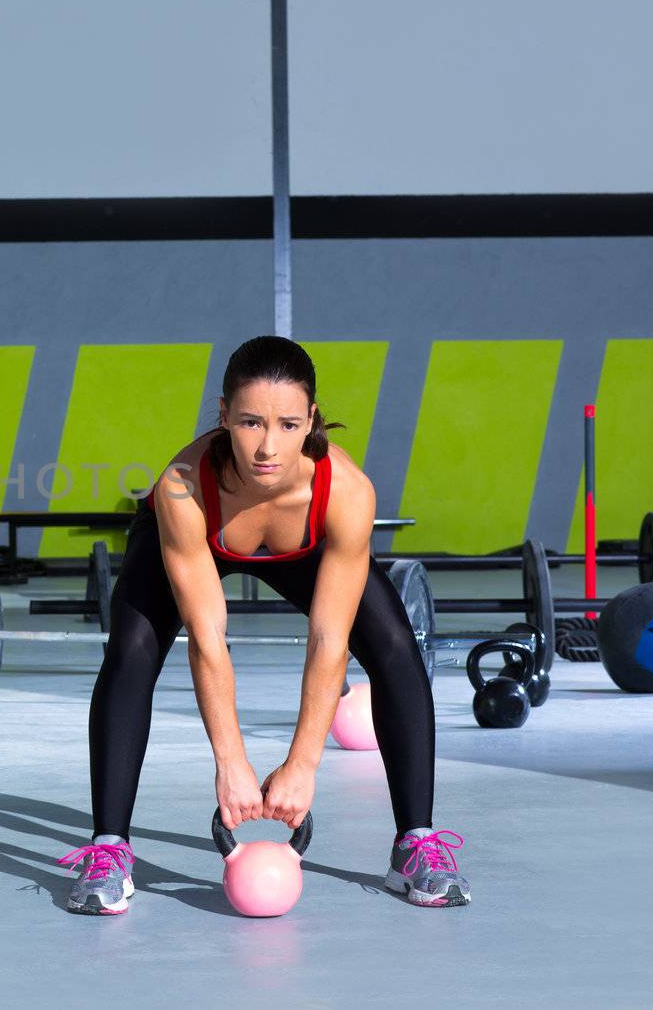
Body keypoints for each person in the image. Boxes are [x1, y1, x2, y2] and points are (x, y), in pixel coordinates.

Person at [58, 336, 469, 915]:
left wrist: (303, 765)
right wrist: (232, 765)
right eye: (250, 422)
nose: (267, 447)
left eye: (287, 424)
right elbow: (208, 640)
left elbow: (329, 640)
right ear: (223, 415)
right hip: (195, 535)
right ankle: (109, 847)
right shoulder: (183, 485)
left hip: (301, 546)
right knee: (132, 650)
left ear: (312, 421)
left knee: (394, 645)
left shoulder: (346, 492)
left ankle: (415, 844)